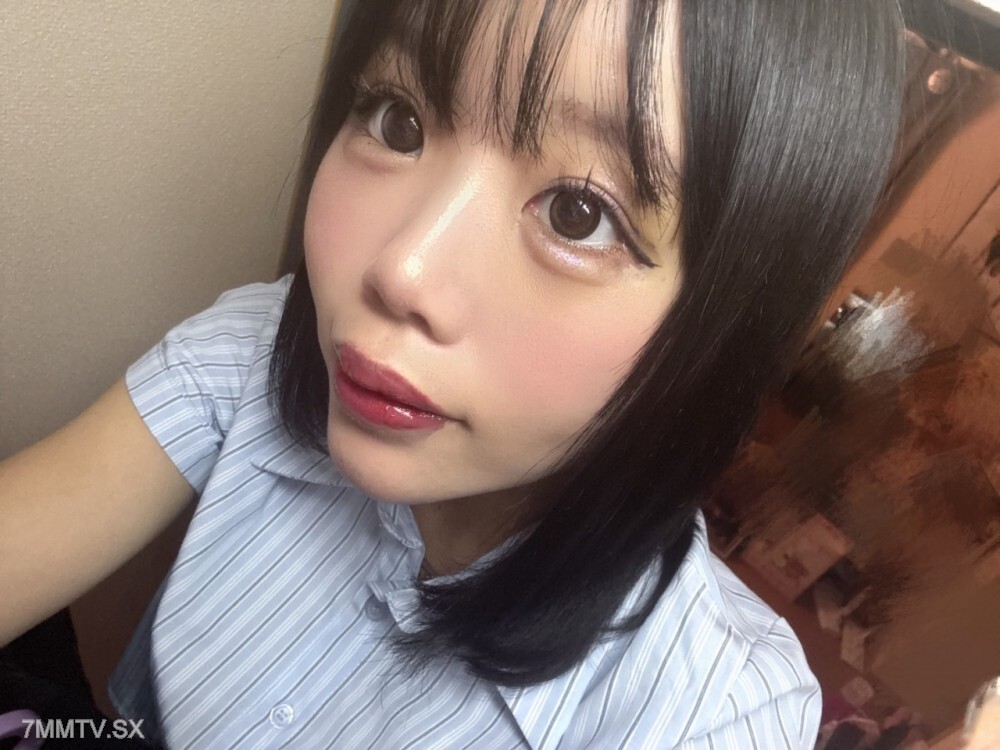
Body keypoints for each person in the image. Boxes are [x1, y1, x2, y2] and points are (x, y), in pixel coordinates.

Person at [0, 0, 905, 747]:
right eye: (397, 119)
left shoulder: (710, 712)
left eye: (580, 213)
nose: (402, 270)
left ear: (720, 334)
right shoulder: (257, 350)